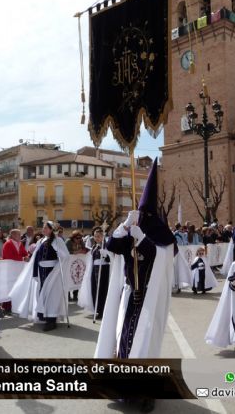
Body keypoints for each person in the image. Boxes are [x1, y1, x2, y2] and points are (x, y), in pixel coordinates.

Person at [95, 159, 174, 413]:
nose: (141, 218)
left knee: (145, 344)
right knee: (124, 340)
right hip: (130, 295)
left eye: (144, 215)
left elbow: (162, 257)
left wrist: (142, 240)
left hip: (149, 297)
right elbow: (111, 246)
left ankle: (146, 392)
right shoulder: (132, 229)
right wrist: (124, 227)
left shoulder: (162, 235)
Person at [10, 221, 69, 331]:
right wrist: (34, 271)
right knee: (42, 295)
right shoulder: (41, 240)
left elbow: (65, 256)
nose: (43, 229)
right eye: (43, 227)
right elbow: (36, 257)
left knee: (50, 296)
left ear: (52, 229)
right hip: (42, 271)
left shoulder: (58, 240)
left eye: (46, 227)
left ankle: (51, 320)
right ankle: (45, 317)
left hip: (52, 272)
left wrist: (57, 250)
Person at [79, 227, 110, 319]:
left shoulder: (106, 246)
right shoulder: (94, 246)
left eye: (99, 236)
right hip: (94, 270)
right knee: (95, 289)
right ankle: (97, 309)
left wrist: (105, 254)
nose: (97, 238)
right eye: (95, 236)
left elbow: (111, 259)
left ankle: (102, 310)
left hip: (104, 270)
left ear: (103, 236)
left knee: (102, 290)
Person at [0, 229, 29, 316]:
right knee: (9, 287)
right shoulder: (8, 244)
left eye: (20, 234)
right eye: (18, 235)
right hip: (9, 270)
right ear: (13, 235)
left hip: (17, 270)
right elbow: (9, 256)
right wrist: (23, 258)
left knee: (16, 286)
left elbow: (24, 253)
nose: (20, 236)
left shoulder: (19, 244)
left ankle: (14, 305)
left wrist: (27, 256)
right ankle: (6, 307)